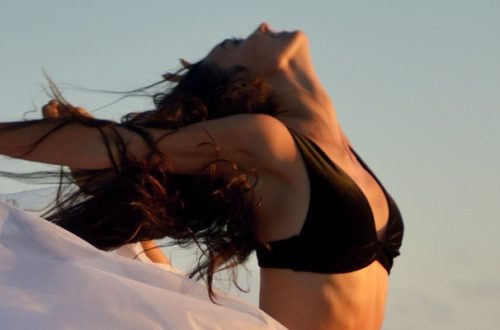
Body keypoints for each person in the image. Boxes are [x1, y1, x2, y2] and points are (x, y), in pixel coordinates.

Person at [0, 23, 403, 329]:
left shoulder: (341, 150)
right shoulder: (267, 141)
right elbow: (119, 144)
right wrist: (89, 148)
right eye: (232, 45)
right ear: (241, 79)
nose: (261, 27)